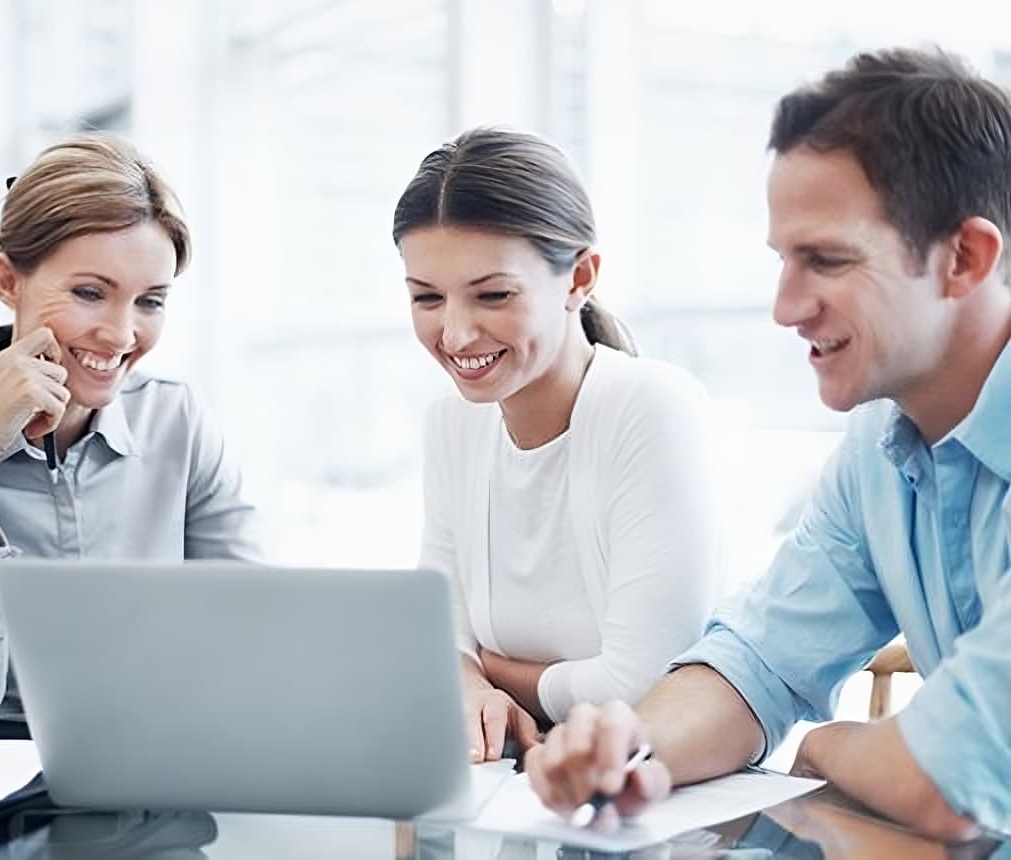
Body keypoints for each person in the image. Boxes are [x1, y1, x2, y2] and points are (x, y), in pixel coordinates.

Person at [524, 47, 1011, 840]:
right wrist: (630, 747)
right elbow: (759, 663)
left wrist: (829, 744)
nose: (785, 307)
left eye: (825, 260)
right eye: (784, 259)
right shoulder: (879, 453)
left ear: (965, 259)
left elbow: (947, 787)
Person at [0, 133, 265, 718]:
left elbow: (257, 646)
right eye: (91, 293)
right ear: (7, 282)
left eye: (151, 301)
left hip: (149, 778)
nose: (121, 336)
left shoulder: (177, 421)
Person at [392, 127, 722, 763]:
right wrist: (466, 678)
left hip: (653, 789)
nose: (455, 334)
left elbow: (646, 687)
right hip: (518, 780)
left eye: (494, 295)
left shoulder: (651, 407)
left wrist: (493, 670)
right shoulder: (454, 424)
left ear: (580, 278)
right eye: (426, 297)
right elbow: (433, 632)